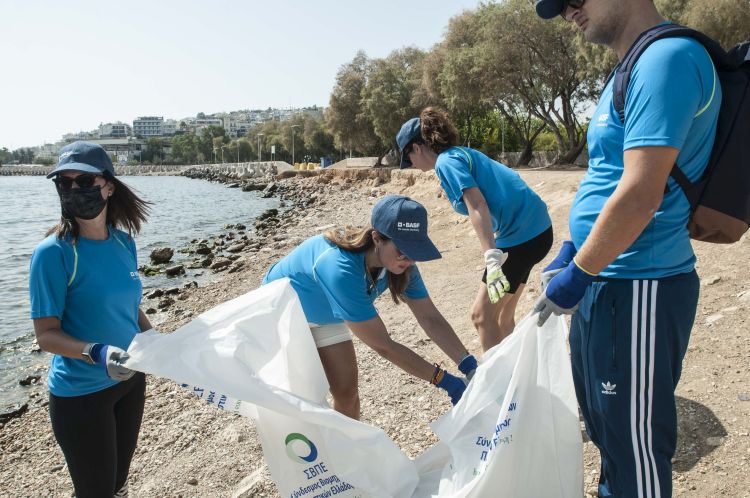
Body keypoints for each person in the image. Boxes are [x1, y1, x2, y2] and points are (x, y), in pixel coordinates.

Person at [533, 1, 722, 496]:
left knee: (634, 445)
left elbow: (640, 193)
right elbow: (606, 175)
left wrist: (580, 272)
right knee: (607, 429)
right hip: (605, 279)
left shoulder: (667, 59)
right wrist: (573, 249)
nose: (568, 11)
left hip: (640, 285)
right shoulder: (628, 66)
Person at [263, 194, 477, 419]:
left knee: (347, 394)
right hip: (283, 316)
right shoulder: (339, 267)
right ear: (377, 238)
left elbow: (429, 317)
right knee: (301, 403)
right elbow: (383, 346)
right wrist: (446, 382)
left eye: (416, 251)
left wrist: (469, 365)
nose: (410, 260)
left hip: (326, 316)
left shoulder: (402, 264)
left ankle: (344, 453)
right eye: (403, 250)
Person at [29, 141, 153, 498]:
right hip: (82, 395)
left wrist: (156, 339)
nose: (73, 191)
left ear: (108, 186)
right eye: (63, 184)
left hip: (130, 382)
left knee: (119, 484)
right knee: (95, 491)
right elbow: (47, 335)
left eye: (84, 182)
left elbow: (128, 306)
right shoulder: (53, 253)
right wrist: (97, 352)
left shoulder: (123, 243)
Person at [396, 107, 553, 351]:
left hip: (521, 238)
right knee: (501, 318)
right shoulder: (460, 154)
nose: (411, 164)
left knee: (481, 317)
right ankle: (515, 379)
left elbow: (477, 204)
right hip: (538, 232)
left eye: (408, 158)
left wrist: (492, 260)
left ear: (417, 147)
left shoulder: (446, 162)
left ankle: (498, 387)